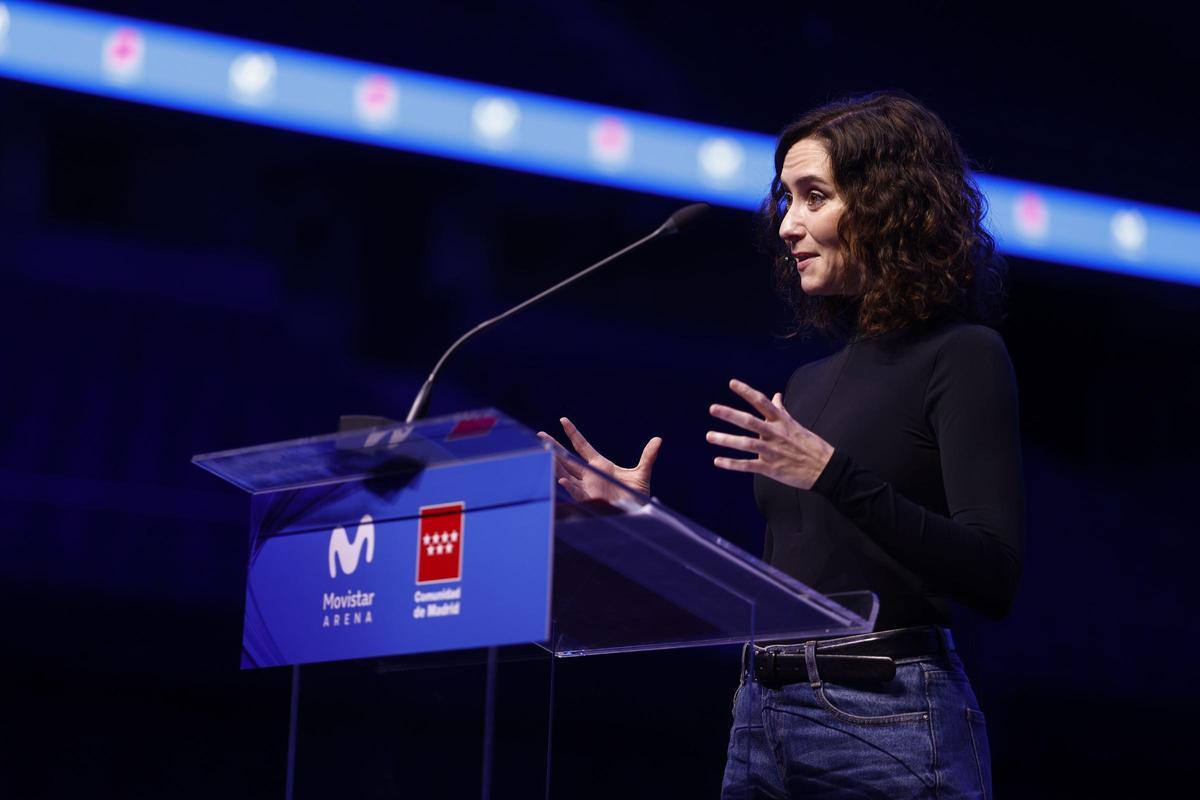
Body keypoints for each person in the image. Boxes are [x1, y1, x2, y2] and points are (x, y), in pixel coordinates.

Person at [540, 91, 1023, 799]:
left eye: (813, 197)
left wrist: (833, 474)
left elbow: (994, 573)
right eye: (785, 200)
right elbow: (786, 581)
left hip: (886, 716)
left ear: (889, 205)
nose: (787, 224)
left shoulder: (964, 355)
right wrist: (645, 524)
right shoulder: (806, 381)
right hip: (760, 715)